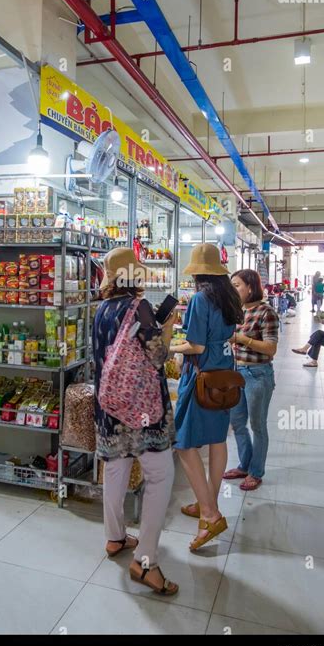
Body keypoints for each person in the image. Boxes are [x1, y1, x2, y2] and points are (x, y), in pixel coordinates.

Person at [93, 247, 178, 596]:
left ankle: (115, 538)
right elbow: (159, 355)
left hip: (110, 405)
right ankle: (146, 562)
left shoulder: (102, 309)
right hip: (142, 409)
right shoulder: (138, 308)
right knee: (160, 475)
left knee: (115, 470)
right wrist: (168, 327)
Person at [170, 244, 243, 551]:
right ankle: (207, 502)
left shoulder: (201, 298)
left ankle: (211, 514)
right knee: (216, 442)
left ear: (199, 273)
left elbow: (196, 346)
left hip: (201, 379)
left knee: (184, 445)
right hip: (224, 379)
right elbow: (224, 337)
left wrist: (171, 348)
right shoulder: (230, 297)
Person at [223, 270, 279, 491]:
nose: (233, 290)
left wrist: (242, 339)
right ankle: (244, 465)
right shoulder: (237, 312)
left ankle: (256, 472)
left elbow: (271, 348)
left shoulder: (267, 312)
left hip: (258, 375)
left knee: (257, 425)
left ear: (250, 287)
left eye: (237, 285)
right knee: (237, 423)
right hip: (236, 374)